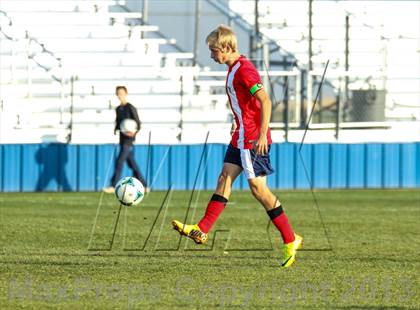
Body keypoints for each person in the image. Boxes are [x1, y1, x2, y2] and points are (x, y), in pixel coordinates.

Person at [172, 25, 302, 268]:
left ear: (226, 48)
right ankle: (202, 230)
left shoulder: (244, 70)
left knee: (258, 190)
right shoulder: (233, 69)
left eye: (213, 50)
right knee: (225, 177)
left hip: (252, 139)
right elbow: (246, 103)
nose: (211, 55)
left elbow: (265, 100)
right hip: (240, 135)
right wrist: (237, 121)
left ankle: (290, 239)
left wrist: (262, 134)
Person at [103, 86, 148, 193]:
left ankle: (113, 185)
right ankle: (144, 185)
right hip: (122, 139)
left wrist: (133, 132)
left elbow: (138, 123)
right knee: (131, 163)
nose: (120, 95)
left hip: (129, 140)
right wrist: (115, 129)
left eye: (122, 93)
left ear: (126, 94)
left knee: (120, 161)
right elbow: (118, 123)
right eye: (118, 93)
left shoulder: (131, 107)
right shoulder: (118, 109)